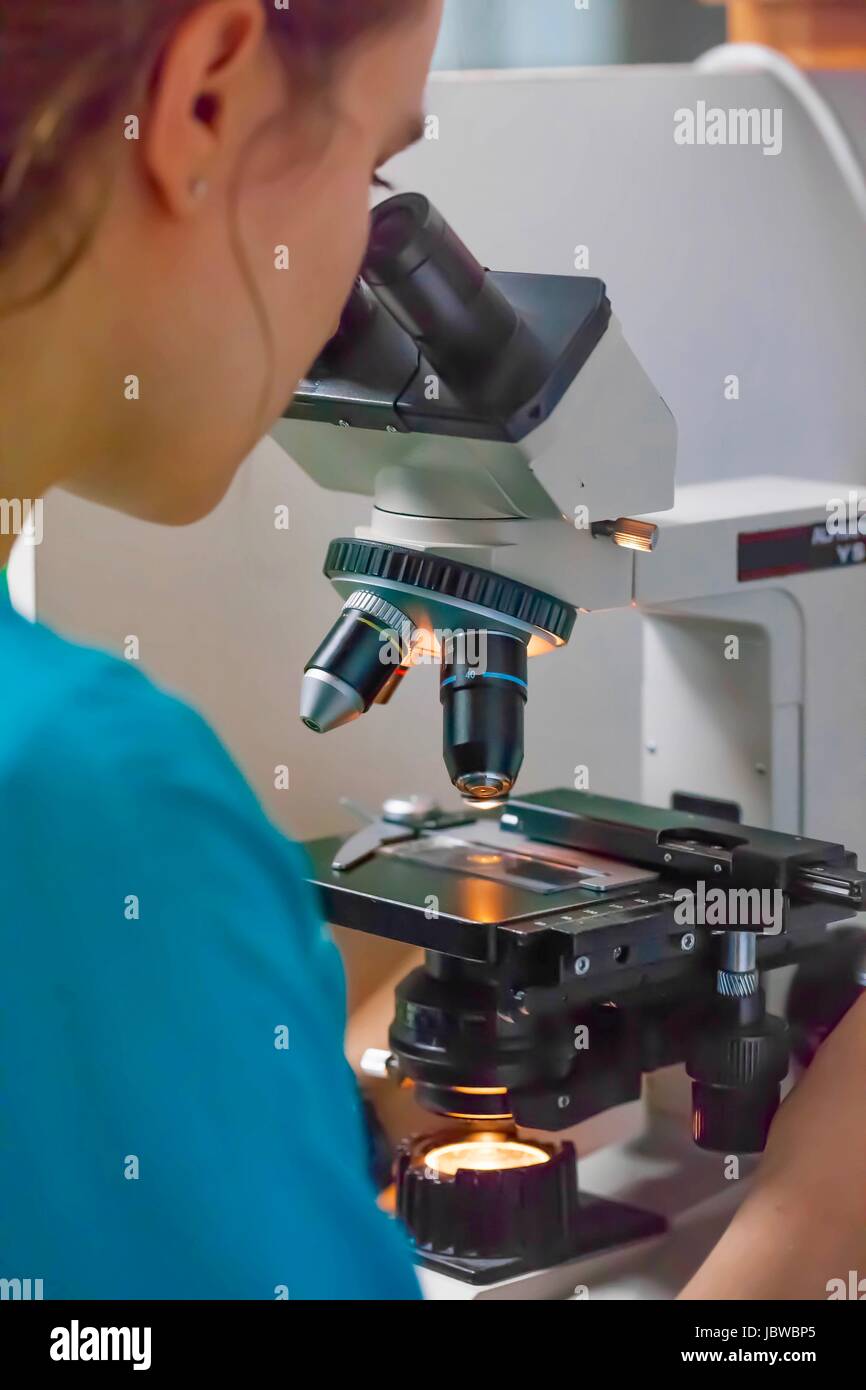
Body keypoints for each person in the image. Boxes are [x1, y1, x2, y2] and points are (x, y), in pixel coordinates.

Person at [0, 0, 442, 1301]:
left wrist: (260, 1092)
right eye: (372, 168)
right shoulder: (80, 797)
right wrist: (797, 1242)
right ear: (201, 95)